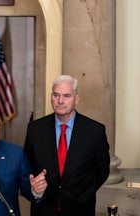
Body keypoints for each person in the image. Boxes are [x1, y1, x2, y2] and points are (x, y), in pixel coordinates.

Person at [24, 75, 110, 216]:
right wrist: (35, 188)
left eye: (67, 96)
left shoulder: (95, 131)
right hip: (44, 209)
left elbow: (102, 170)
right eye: (56, 95)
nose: (60, 101)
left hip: (80, 208)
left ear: (76, 99)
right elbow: (27, 168)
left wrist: (84, 192)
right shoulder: (35, 129)